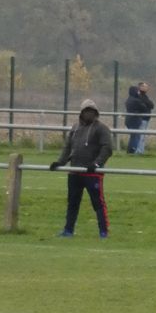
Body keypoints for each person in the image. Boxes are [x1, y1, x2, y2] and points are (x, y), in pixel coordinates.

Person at [50, 98, 113, 238]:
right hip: (75, 172)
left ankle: (103, 232)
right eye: (86, 111)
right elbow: (68, 147)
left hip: (92, 173)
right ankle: (68, 230)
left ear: (96, 113)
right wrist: (60, 162)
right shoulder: (75, 128)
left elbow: (107, 148)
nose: (89, 114)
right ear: (81, 113)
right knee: (72, 202)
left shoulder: (101, 128)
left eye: (92, 111)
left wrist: (96, 164)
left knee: (98, 203)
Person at [123, 81, 154, 154]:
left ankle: (133, 151)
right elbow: (145, 107)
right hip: (137, 120)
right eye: (144, 86)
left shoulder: (131, 99)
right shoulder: (137, 99)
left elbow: (151, 105)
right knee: (137, 136)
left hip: (133, 120)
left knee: (135, 136)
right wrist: (145, 106)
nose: (146, 88)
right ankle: (135, 151)